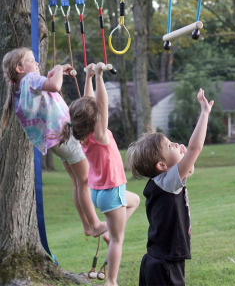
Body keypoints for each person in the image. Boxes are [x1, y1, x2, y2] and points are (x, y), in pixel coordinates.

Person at [0, 48, 107, 238]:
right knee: (84, 182)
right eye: (32, 61)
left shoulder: (20, 88)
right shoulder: (30, 79)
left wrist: (52, 74)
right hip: (65, 137)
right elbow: (55, 86)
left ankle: (87, 225)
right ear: (19, 68)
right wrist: (58, 68)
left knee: (77, 182)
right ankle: (96, 224)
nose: (37, 63)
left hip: (55, 142)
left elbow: (46, 90)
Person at [58, 62, 140, 286]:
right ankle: (111, 281)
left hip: (99, 192)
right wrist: (100, 77)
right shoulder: (100, 135)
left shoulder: (83, 136)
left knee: (135, 201)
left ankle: (107, 230)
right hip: (111, 192)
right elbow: (100, 103)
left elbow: (90, 104)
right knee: (117, 240)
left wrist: (88, 77)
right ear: (95, 119)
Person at [127, 88, 214, 286]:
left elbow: (189, 169)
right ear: (162, 166)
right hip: (164, 263)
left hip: (158, 260)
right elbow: (195, 149)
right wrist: (204, 113)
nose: (176, 144)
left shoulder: (161, 182)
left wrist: (180, 155)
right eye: (170, 146)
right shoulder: (167, 182)